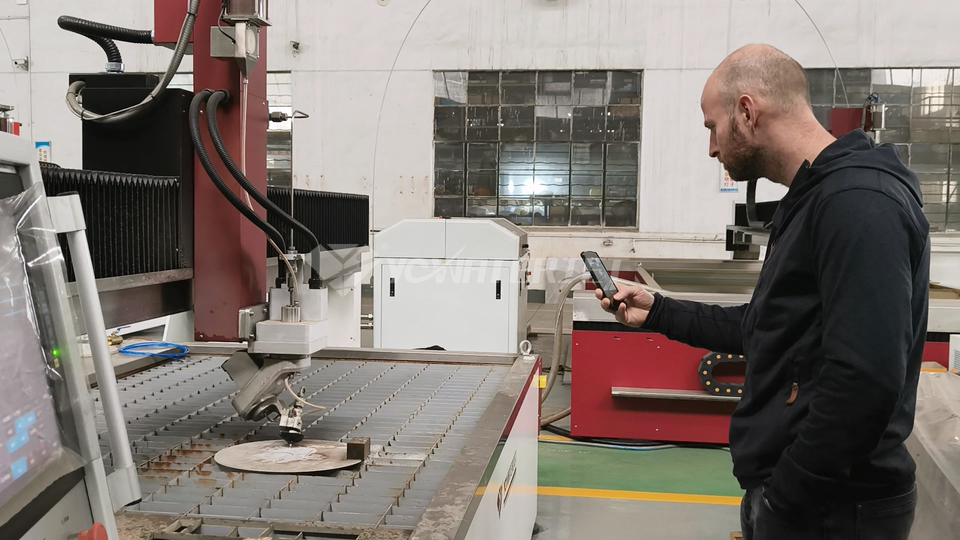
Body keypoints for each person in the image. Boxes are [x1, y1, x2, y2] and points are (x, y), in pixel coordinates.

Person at [597, 44, 929, 540]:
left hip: (830, 510)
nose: (711, 148)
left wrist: (788, 498)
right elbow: (769, 325)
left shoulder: (857, 202)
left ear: (748, 112)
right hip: (803, 499)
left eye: (712, 126)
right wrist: (659, 311)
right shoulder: (815, 197)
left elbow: (865, 378)